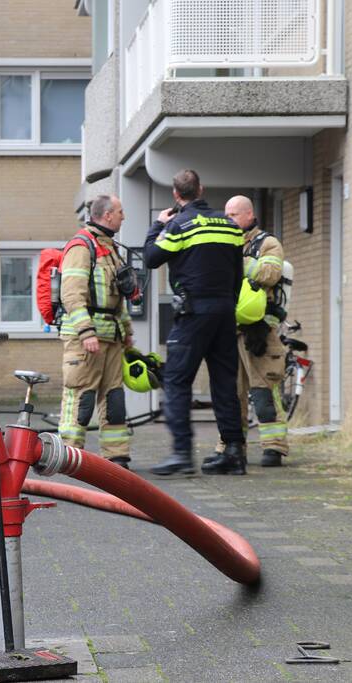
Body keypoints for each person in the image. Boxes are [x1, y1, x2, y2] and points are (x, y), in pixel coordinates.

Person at [143, 170, 247, 476]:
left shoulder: (179, 225)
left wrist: (157, 225)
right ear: (200, 189)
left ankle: (182, 454)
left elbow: (150, 257)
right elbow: (237, 273)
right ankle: (233, 453)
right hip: (225, 312)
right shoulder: (229, 225)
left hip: (193, 314)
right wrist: (229, 305)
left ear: (177, 195)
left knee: (176, 380)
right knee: (224, 383)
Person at [207, 195, 290, 467]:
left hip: (259, 331)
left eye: (234, 215)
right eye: (226, 214)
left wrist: (235, 264)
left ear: (249, 215)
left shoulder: (268, 243)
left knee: (264, 391)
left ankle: (274, 447)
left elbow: (270, 274)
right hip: (229, 331)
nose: (229, 219)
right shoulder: (224, 242)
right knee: (231, 393)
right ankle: (230, 446)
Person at [57, 195, 133, 468]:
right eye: (121, 212)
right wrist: (86, 332)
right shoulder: (82, 246)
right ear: (108, 214)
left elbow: (116, 297)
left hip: (111, 336)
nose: (124, 217)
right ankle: (68, 457)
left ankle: (116, 456)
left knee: (114, 398)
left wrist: (126, 330)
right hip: (86, 339)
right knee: (81, 396)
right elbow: (72, 294)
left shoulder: (110, 248)